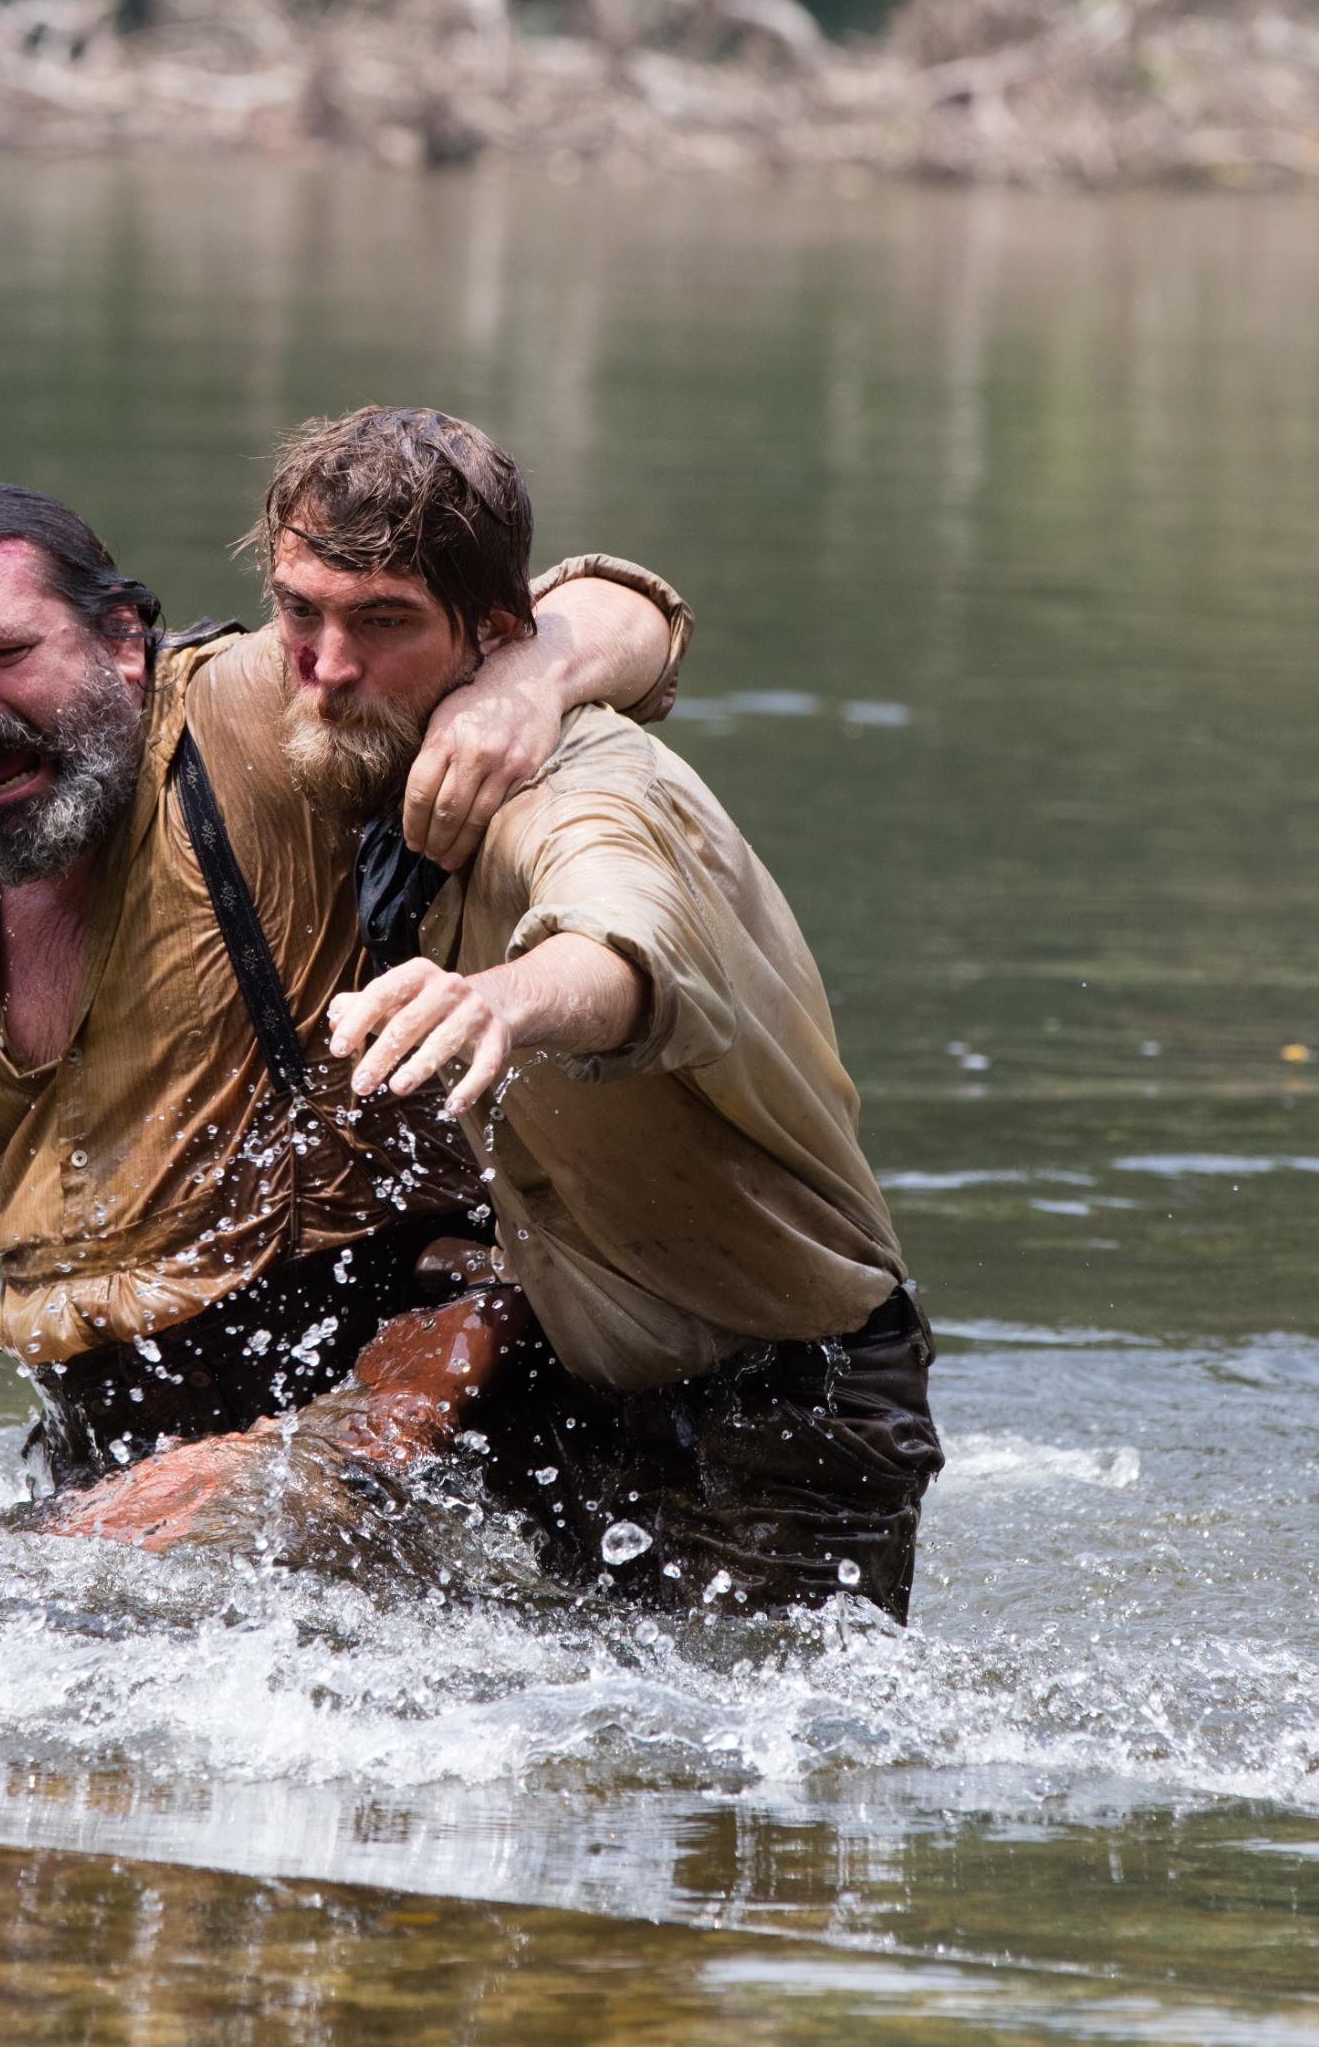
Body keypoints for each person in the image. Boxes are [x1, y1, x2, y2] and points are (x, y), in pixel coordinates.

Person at [0, 479, 688, 1494]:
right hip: (109, 1472)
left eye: (2, 652)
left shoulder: (248, 724)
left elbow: (626, 613)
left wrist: (525, 683)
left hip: (414, 1405)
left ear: (122, 643)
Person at [264, 409, 942, 1617]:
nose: (324, 664)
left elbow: (623, 950)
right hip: (579, 1364)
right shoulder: (370, 739)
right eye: (300, 611)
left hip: (796, 1397)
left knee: (752, 1783)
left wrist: (496, 1001)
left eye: (381, 622)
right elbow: (627, 603)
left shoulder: (576, 793)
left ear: (495, 633)